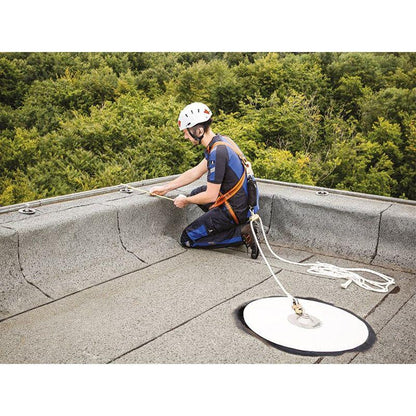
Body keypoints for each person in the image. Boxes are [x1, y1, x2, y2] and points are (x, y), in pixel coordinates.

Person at [150, 102, 260, 258]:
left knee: (187, 238)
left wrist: (185, 200)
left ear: (199, 130)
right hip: (244, 202)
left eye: (187, 132)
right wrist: (166, 188)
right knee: (197, 193)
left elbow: (210, 196)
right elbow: (195, 172)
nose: (185, 136)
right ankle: (226, 225)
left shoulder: (217, 153)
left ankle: (240, 233)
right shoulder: (221, 142)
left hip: (235, 210)